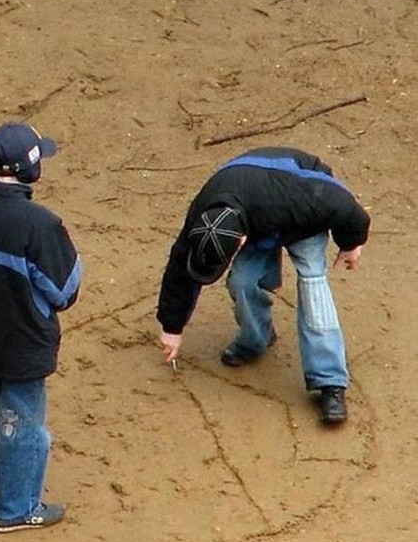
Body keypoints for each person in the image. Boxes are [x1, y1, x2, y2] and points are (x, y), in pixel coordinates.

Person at [157, 146, 370, 425]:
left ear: (241, 242)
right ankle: (257, 339)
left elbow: (345, 205)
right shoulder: (205, 214)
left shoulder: (303, 200)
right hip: (258, 213)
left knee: (312, 284)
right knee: (242, 281)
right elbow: (180, 266)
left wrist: (352, 242)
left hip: (305, 213)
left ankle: (330, 381)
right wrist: (172, 327)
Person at [0, 122, 82, 532]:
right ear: (30, 169)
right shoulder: (39, 224)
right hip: (23, 343)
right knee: (21, 421)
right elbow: (65, 290)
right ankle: (16, 508)